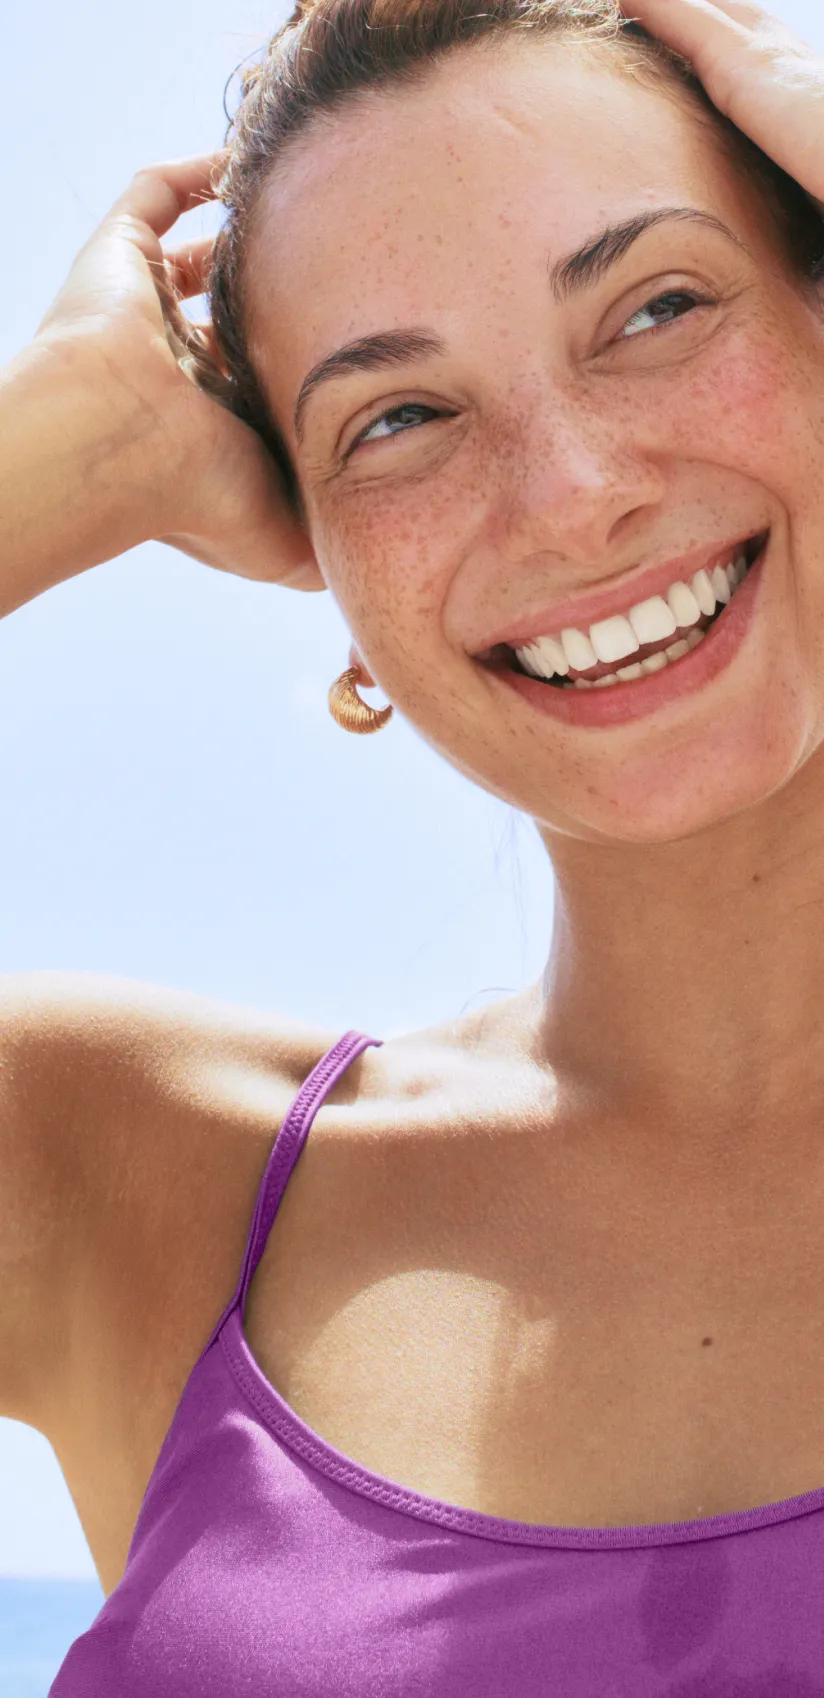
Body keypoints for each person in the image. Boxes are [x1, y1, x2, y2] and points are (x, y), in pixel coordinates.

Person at [4, 0, 824, 1685]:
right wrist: (66, 447)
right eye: (395, 419)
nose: (571, 489)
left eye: (658, 307)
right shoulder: (133, 1169)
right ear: (327, 578)